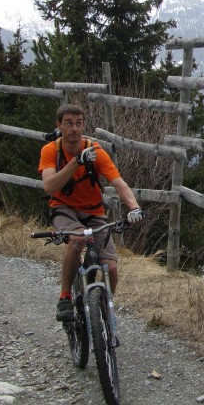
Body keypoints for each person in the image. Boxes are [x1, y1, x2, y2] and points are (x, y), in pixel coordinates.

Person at [38, 103, 143, 323]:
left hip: (94, 212)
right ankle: (65, 296)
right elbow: (49, 186)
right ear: (59, 126)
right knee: (76, 240)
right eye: (68, 124)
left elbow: (119, 183)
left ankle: (102, 312)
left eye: (78, 124)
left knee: (111, 268)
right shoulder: (51, 151)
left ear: (84, 125)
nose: (74, 129)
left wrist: (133, 207)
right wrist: (77, 162)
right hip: (63, 208)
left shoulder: (95, 152)